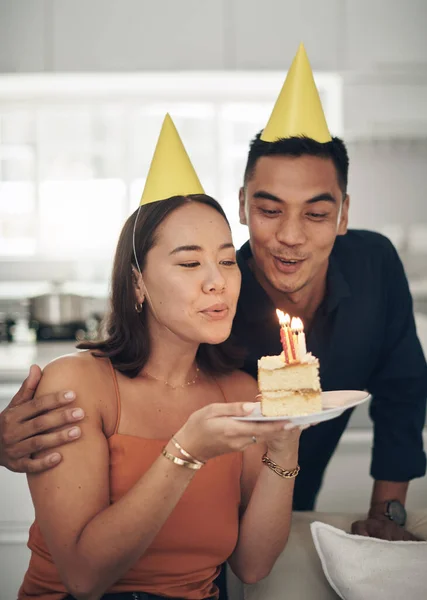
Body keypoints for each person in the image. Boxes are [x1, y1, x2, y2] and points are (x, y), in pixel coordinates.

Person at [1, 43, 426, 543]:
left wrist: (388, 511)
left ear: (344, 214)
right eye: (269, 210)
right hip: (185, 515)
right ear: (243, 204)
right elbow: (130, 386)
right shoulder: (209, 305)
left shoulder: (375, 265)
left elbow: (403, 391)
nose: (291, 235)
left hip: (280, 508)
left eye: (315, 213)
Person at [15, 114, 302, 600]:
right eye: (189, 263)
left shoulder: (242, 391)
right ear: (137, 283)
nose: (218, 280)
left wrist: (286, 445)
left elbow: (253, 566)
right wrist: (187, 450)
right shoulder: (78, 385)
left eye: (227, 261)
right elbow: (84, 577)